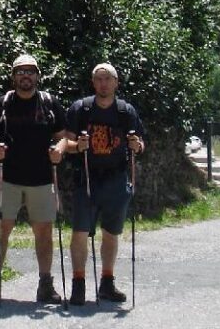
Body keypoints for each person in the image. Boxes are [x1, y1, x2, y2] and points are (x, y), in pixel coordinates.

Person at [0, 54, 66, 305]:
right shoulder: (2, 105)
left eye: (30, 71)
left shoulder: (50, 103)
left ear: (38, 76)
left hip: (42, 177)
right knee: (0, 230)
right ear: (13, 77)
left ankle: (45, 285)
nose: (25, 75)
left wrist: (59, 150)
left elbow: (62, 136)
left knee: (44, 232)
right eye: (20, 71)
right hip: (7, 177)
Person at [60, 61, 145, 305]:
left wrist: (136, 145)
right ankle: (78, 284)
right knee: (80, 232)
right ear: (93, 82)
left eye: (108, 79)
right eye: (99, 79)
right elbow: (66, 142)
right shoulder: (81, 109)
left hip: (116, 180)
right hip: (87, 179)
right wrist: (78, 146)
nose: (103, 83)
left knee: (111, 232)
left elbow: (140, 143)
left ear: (116, 83)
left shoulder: (126, 112)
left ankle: (107, 283)